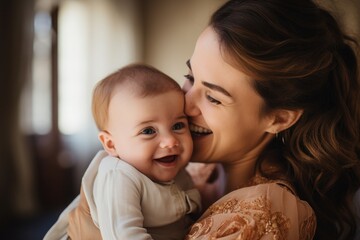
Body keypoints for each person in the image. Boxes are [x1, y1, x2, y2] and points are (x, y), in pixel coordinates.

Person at [46, 0, 360, 239]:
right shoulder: (197, 170)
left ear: (277, 118)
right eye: (189, 76)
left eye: (212, 97)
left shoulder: (258, 217)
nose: (186, 103)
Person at [44, 64, 201, 240]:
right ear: (111, 144)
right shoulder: (119, 176)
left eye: (178, 126)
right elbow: (124, 236)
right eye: (148, 131)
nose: (170, 140)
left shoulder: (179, 172)